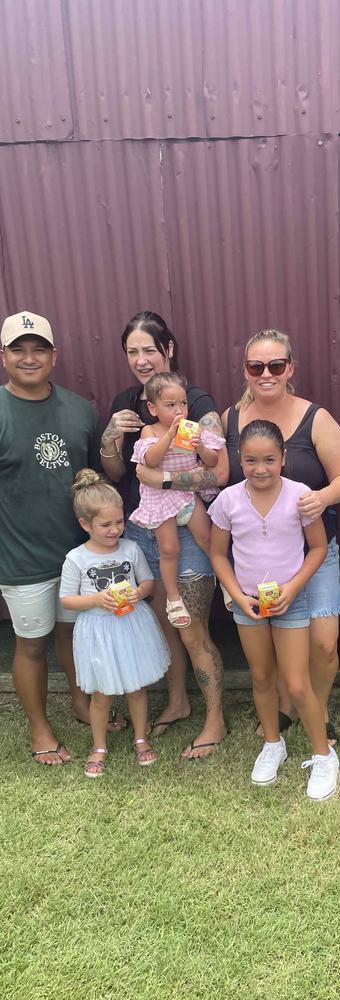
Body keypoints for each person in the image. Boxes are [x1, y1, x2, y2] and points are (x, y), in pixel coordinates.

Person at [0, 309, 127, 765]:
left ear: (54, 356)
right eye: (19, 350)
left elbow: (96, 479)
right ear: (4, 356)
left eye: (39, 350)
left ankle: (79, 701)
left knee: (74, 635)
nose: (29, 358)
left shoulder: (80, 410)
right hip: (21, 556)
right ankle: (39, 727)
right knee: (32, 643)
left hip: (79, 555)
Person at [100, 311, 229, 759]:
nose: (140, 360)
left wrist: (166, 483)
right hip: (145, 528)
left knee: (192, 626)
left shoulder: (196, 402)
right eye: (132, 352)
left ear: (168, 348)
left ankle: (215, 719)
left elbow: (219, 473)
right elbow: (118, 473)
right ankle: (177, 700)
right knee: (165, 621)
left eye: (148, 350)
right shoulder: (128, 402)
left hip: (189, 528)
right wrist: (110, 437)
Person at [222, 329, 340, 745]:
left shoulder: (315, 417)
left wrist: (322, 498)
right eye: (255, 366)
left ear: (290, 369)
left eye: (276, 365)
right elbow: (212, 475)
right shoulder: (229, 419)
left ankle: (317, 709)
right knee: (271, 639)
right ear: (245, 371)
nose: (266, 374)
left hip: (315, 552)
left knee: (323, 644)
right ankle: (285, 707)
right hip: (257, 556)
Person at [209, 419, 339, 799]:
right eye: (250, 461)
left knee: (297, 683)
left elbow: (317, 549)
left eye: (269, 459)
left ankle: (324, 754)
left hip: (290, 601)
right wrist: (235, 594)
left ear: (283, 458)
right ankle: (272, 744)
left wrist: (293, 588)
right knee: (262, 676)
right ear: (239, 459)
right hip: (246, 604)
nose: (260, 469)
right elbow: (218, 553)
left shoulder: (301, 496)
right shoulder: (228, 500)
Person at [59, 471, 170, 777]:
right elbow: (66, 599)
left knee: (136, 687)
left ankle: (140, 737)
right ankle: (99, 745)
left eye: (119, 522)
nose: (114, 530)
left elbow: (148, 581)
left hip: (131, 625)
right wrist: (95, 600)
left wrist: (139, 592)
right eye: (105, 525)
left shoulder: (130, 549)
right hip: (98, 630)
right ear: (85, 524)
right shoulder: (76, 558)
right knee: (101, 693)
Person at [130, 371, 226, 628]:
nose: (179, 410)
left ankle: (227, 582)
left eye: (182, 403)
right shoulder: (149, 431)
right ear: (153, 407)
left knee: (207, 538)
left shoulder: (193, 429)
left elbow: (214, 461)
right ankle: (173, 599)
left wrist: (200, 448)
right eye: (170, 405)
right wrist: (169, 436)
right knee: (169, 548)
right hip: (160, 499)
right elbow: (150, 460)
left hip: (186, 496)